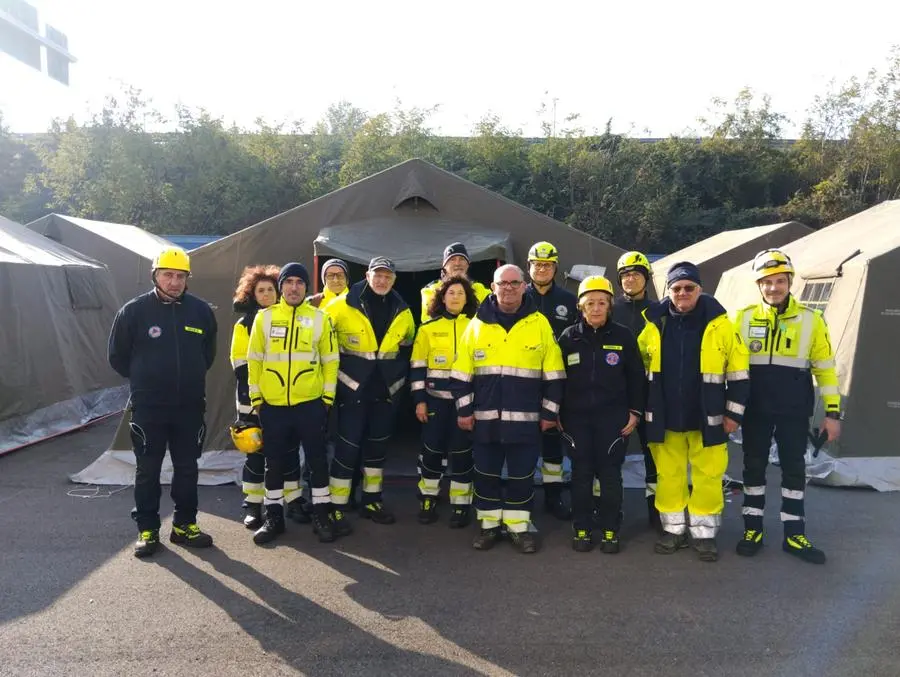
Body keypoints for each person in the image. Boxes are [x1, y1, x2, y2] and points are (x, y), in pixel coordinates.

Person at [732, 249, 841, 564]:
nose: (773, 288)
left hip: (794, 410)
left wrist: (832, 414)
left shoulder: (812, 320)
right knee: (753, 468)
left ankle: (794, 534)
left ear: (790, 282)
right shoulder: (742, 318)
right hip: (755, 409)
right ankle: (752, 529)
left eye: (780, 281)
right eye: (766, 282)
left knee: (794, 470)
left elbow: (826, 370)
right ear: (759, 284)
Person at [108, 247, 217, 558]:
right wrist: (147, 379)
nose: (174, 281)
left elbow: (206, 355)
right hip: (149, 408)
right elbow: (117, 356)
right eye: (168, 274)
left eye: (180, 276)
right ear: (155, 276)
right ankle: (148, 529)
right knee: (148, 469)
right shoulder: (134, 311)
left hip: (189, 407)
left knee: (187, 468)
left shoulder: (200, 312)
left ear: (187, 279)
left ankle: (184, 525)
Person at [636, 261, 749, 562]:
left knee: (708, 476)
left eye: (689, 288)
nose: (682, 293)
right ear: (668, 291)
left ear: (700, 289)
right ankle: (673, 531)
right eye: (676, 288)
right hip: (665, 417)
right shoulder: (653, 326)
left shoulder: (722, 326)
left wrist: (733, 415)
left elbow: (739, 375)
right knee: (669, 475)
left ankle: (704, 535)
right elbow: (639, 372)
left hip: (707, 417)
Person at [452, 264, 565, 554]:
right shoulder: (475, 326)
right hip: (484, 420)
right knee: (486, 475)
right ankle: (489, 527)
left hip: (526, 422)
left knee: (521, 477)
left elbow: (554, 376)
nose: (509, 288)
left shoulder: (539, 324)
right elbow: (460, 376)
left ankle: (518, 529)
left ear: (525, 286)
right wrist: (464, 412)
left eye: (515, 283)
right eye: (503, 283)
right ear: (493, 287)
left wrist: (549, 414)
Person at [246, 262, 346, 545]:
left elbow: (331, 360)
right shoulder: (264, 319)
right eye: (288, 282)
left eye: (299, 282)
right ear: (281, 288)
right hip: (273, 406)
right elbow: (254, 360)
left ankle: (321, 515)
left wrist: (327, 398)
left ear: (306, 287)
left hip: (310, 405)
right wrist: (257, 398)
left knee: (316, 461)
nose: (293, 287)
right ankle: (274, 517)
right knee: (274, 463)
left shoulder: (319, 318)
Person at [324, 256, 416, 524]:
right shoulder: (339, 307)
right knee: (346, 450)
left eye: (388, 276)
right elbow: (324, 349)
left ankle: (372, 501)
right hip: (351, 393)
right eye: (378, 275)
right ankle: (337, 505)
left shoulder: (404, 311)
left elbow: (408, 346)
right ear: (367, 275)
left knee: (377, 452)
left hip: (385, 395)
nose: (382, 280)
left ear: (394, 280)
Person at [558, 276, 644, 553]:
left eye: (602, 303)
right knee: (581, 474)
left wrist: (634, 412)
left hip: (613, 418)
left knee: (610, 476)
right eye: (590, 303)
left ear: (610, 306)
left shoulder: (623, 336)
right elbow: (557, 378)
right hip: (576, 419)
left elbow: (636, 378)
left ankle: (610, 529)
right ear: (581, 307)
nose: (596, 308)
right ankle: (581, 526)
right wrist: (556, 410)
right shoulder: (568, 337)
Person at [410, 276, 478, 527]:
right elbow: (417, 368)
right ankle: (428, 498)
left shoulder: (477, 327)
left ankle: (461, 505)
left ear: (467, 298)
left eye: (461, 293)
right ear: (442, 297)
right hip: (434, 402)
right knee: (432, 451)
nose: (456, 297)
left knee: (462, 453)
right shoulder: (427, 328)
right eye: (451, 293)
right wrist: (419, 400)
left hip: (465, 403)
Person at [525, 241, 578, 521]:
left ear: (555, 267)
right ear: (529, 266)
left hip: (558, 383)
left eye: (547, 265)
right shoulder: (519, 297)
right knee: (524, 440)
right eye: (537, 264)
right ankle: (522, 498)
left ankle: (554, 496)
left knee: (553, 442)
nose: (542, 269)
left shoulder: (569, 301)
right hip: (524, 381)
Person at [612, 250, 660, 530]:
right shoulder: (611, 309)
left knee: (653, 453)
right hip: (617, 394)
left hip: (652, 393)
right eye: (626, 275)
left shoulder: (658, 311)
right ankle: (612, 507)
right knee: (612, 455)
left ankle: (656, 509)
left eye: (636, 274)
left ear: (646, 278)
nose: (631, 279)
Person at [420, 242, 491, 322]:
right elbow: (428, 320)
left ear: (468, 265)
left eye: (462, 259)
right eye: (452, 259)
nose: (457, 263)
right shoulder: (432, 289)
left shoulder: (480, 289)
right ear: (444, 266)